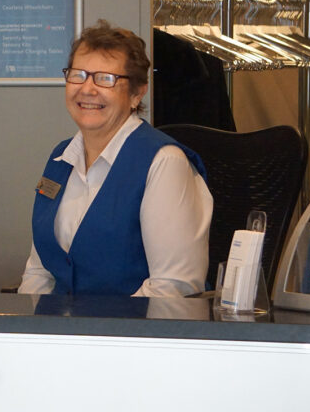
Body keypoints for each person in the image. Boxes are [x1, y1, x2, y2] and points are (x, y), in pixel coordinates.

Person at [18, 20, 212, 297]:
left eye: (106, 79)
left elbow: (173, 285)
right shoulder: (60, 159)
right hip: (60, 334)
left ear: (137, 93)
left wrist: (93, 338)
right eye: (78, 75)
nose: (87, 89)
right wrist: (27, 332)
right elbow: (40, 270)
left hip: (131, 336)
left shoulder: (164, 163)